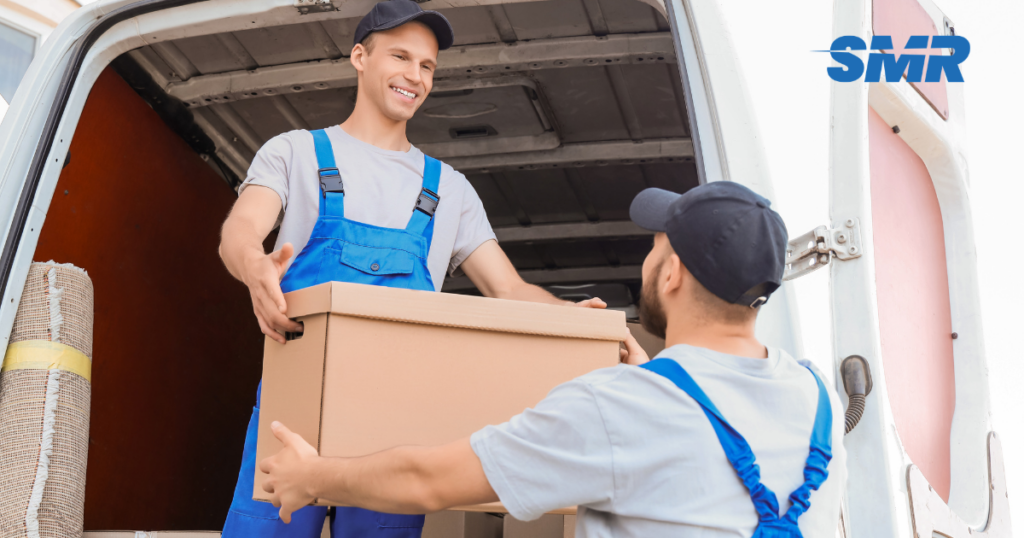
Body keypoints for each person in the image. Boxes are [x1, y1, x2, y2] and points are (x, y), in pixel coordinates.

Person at [258, 182, 849, 537]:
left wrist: (312, 477)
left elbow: (428, 480)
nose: (647, 260)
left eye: (655, 247)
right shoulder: (815, 394)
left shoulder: (619, 407)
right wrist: (660, 381)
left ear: (671, 273)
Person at [217, 2, 604, 537]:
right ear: (360, 56)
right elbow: (240, 230)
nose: (415, 76)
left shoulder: (449, 189)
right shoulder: (296, 153)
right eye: (400, 56)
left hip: (396, 429)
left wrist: (577, 322)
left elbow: (508, 287)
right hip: (294, 416)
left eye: (427, 67)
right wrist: (254, 267)